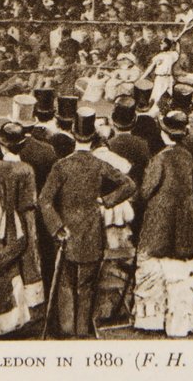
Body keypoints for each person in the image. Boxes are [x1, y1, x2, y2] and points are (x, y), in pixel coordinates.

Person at [39, 107, 134, 337]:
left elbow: (44, 200)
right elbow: (129, 185)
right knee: (86, 285)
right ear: (93, 138)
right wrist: (105, 200)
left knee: (66, 283)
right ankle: (81, 331)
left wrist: (57, 227)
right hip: (91, 232)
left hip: (66, 233)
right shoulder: (97, 164)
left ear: (72, 134)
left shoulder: (61, 166)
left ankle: (67, 329)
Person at [133, 109, 193, 337]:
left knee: (151, 261)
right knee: (180, 266)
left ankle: (151, 320)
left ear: (165, 134)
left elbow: (144, 192)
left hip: (160, 223)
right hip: (186, 222)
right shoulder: (189, 158)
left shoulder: (160, 159)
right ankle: (180, 318)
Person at [0, 121, 45, 335]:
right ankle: (19, 319)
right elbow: (29, 202)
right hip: (20, 223)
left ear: (3, 145)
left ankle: (2, 322)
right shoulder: (26, 170)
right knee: (22, 268)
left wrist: (0, 209)